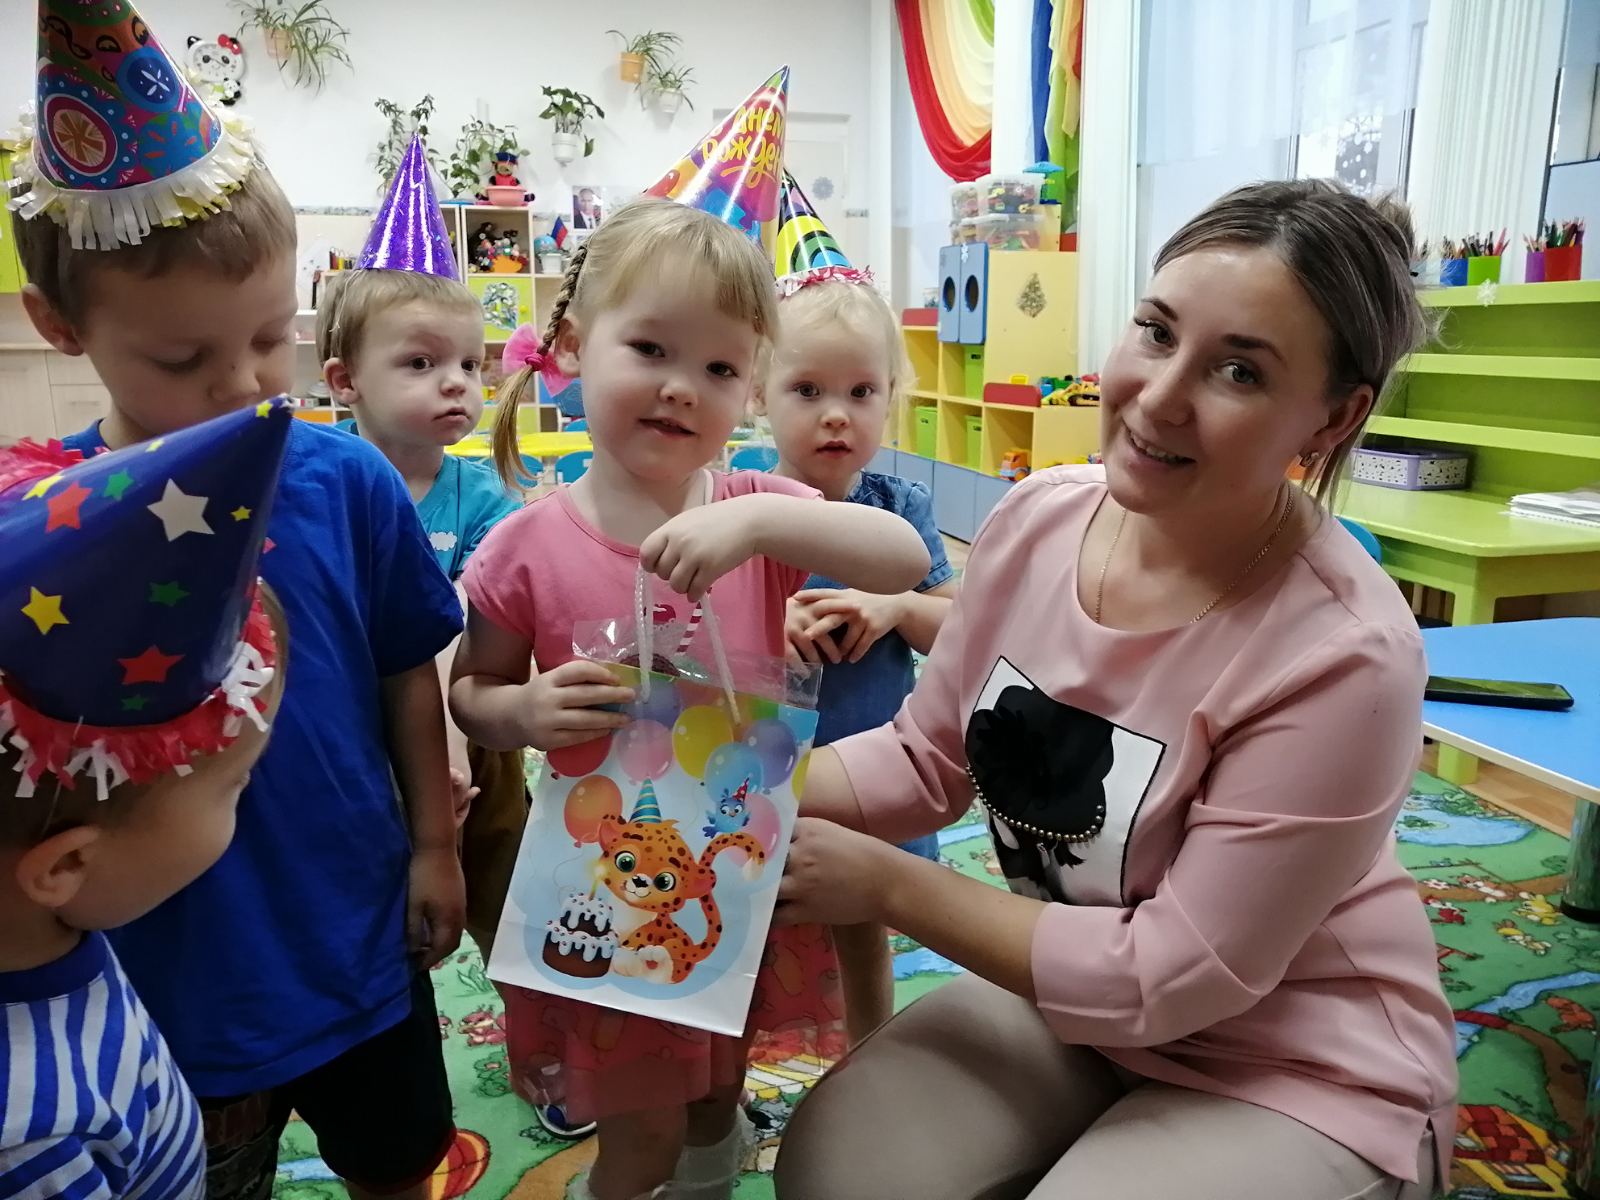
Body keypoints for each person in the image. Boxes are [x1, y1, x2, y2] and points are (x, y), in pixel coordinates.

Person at [773, 179, 1458, 1200]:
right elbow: (923, 759)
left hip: (1299, 1063)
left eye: (1238, 370)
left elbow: (1172, 975)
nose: (1159, 396)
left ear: (1334, 417)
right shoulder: (1037, 521)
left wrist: (888, 886)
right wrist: (742, 774)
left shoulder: (1348, 653)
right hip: (1078, 1007)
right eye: (1156, 331)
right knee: (837, 1167)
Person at [10, 6, 466, 1195]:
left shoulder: (348, 481)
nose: (243, 386)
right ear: (61, 326)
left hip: (355, 937)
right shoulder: (51, 522)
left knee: (401, 1161)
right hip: (170, 974)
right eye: (181, 359)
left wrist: (435, 845)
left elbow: (405, 674)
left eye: (271, 338)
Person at [449, 197, 931, 1200]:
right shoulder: (524, 544)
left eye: (718, 368)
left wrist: (757, 528)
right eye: (651, 349)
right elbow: (473, 692)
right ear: (572, 347)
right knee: (641, 1133)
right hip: (606, 881)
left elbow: (903, 557)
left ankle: (714, 1167)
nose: (681, 387)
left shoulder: (756, 511)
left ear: (748, 388)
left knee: (719, 1092)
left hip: (730, 873)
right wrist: (521, 712)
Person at [0, 404, 291, 1198]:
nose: (243, 801)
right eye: (234, 788)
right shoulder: (29, 1142)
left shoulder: (55, 939)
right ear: (66, 865)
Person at [316, 140, 532, 978]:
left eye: (470, 364)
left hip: (472, 743)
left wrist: (448, 757)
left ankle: (533, 1014)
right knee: (377, 917)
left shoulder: (482, 499)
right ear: (344, 381)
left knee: (507, 895)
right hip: (358, 745)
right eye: (421, 362)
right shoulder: (320, 490)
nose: (457, 383)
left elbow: (469, 628)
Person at [760, 264, 958, 1044]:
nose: (836, 415)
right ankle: (741, 1069)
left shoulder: (901, 509)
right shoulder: (740, 506)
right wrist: (764, 623)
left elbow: (961, 631)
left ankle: (870, 1053)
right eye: (807, 390)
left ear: (890, 398)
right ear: (760, 393)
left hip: (875, 768)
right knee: (750, 920)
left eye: (861, 392)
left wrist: (899, 605)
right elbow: (685, 631)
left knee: (862, 924)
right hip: (765, 769)